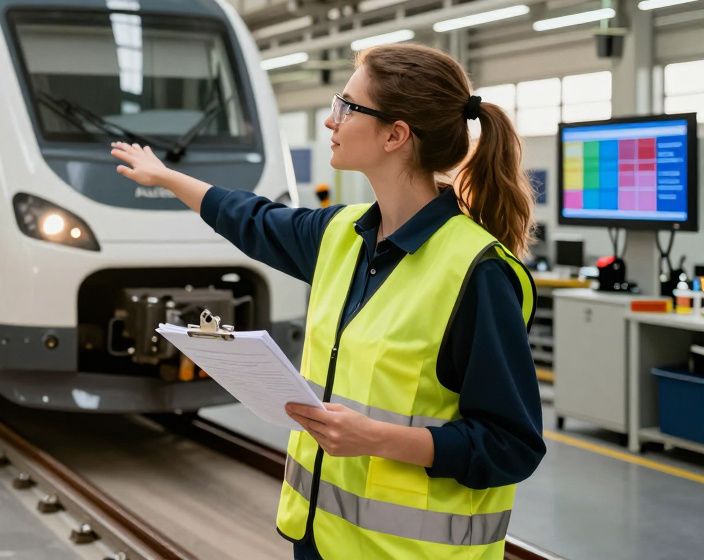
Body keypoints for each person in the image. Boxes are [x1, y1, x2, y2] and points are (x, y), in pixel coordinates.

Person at [111, 44, 544, 559]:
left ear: (395, 135)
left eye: (347, 106)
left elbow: (510, 446)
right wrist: (165, 177)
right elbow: (251, 219)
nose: (330, 120)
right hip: (320, 540)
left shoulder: (478, 273)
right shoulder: (343, 234)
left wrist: (377, 439)